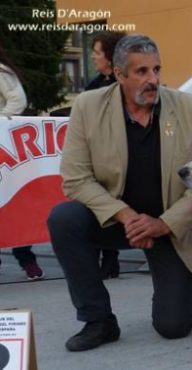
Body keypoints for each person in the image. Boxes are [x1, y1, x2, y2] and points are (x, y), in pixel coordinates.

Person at [47, 35, 192, 352]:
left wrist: (163, 223)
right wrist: (126, 217)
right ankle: (98, 320)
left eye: (156, 70)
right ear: (119, 74)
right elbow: (75, 178)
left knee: (172, 327)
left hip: (171, 229)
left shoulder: (191, 108)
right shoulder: (88, 106)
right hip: (116, 221)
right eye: (141, 72)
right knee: (63, 219)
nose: (153, 80)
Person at [0, 45, 45, 281]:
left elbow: (18, 100)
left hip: (4, 149)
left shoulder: (0, 72)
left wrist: (0, 125)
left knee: (14, 207)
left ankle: (27, 260)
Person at [85, 31, 127, 279]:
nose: (92, 57)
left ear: (110, 57)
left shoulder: (121, 86)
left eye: (97, 52)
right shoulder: (94, 85)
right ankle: (105, 261)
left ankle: (110, 259)